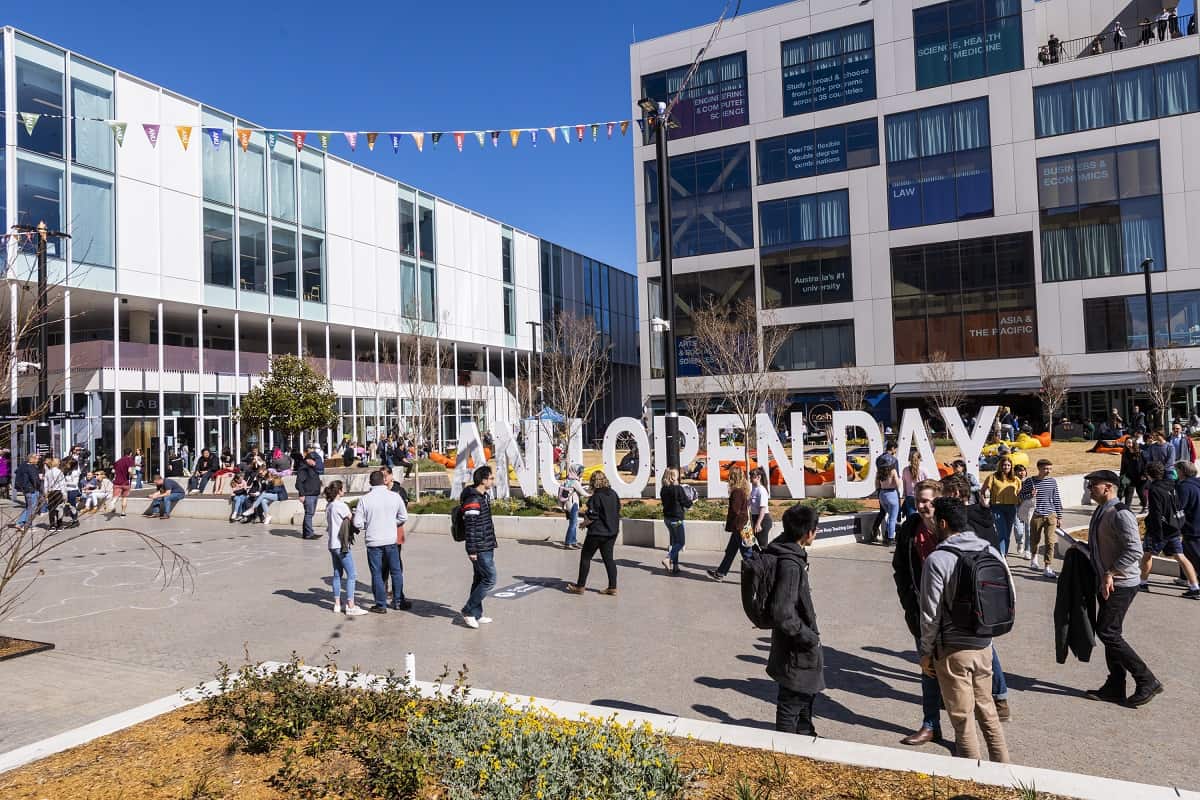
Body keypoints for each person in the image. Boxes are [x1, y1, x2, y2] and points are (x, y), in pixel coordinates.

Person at [919, 496, 1011, 763]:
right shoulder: (989, 551)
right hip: (984, 644)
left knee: (962, 720)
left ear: (943, 522)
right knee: (988, 713)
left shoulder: (939, 558)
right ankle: (1003, 773)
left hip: (952, 650)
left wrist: (926, 651)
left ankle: (973, 781)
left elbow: (930, 613)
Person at [1081, 469, 1163, 706]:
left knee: (1108, 632)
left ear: (1107, 487)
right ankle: (1115, 685)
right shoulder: (1102, 510)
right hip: (1108, 582)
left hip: (1121, 583)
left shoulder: (1120, 513)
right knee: (1108, 631)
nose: (1089, 489)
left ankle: (1146, 680)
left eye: (1093, 485)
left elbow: (1135, 551)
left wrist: (1110, 572)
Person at [893, 479, 947, 746]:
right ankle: (930, 724)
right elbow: (900, 568)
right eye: (918, 499)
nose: (922, 505)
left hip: (953, 613)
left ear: (938, 500)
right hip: (922, 612)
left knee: (957, 671)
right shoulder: (910, 529)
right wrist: (909, 603)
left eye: (926, 500)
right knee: (928, 669)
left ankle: (968, 729)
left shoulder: (951, 528)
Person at [766, 503, 824, 736]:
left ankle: (805, 733)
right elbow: (782, 611)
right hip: (796, 645)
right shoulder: (790, 564)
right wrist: (808, 637)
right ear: (808, 533)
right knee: (791, 700)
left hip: (793, 644)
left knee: (803, 694)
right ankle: (786, 750)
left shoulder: (785, 550)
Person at [1141, 461, 1200, 597]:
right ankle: (1194, 587)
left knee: (1147, 556)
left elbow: (1156, 512)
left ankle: (1142, 583)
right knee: (1181, 556)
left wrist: (1156, 532)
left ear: (1149, 475)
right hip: (1174, 528)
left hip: (1161, 529)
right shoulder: (1172, 485)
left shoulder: (1154, 489)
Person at [355, 469, 409, 614]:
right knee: (396, 571)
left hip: (373, 541)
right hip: (391, 540)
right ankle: (397, 601)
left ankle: (381, 604)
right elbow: (403, 517)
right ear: (383, 480)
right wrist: (393, 523)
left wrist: (369, 524)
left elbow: (358, 523)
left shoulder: (364, 499)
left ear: (370, 482)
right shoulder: (394, 496)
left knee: (377, 573)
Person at [565, 470, 621, 595]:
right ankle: (613, 587)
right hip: (611, 532)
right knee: (609, 559)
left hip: (597, 533)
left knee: (586, 557)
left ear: (592, 482)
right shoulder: (613, 494)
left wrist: (583, 524)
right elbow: (617, 509)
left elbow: (592, 515)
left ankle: (580, 586)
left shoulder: (596, 497)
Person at [460, 465, 498, 628]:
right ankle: (468, 610)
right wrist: (472, 550)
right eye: (491, 478)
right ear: (483, 480)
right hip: (480, 546)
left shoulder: (483, 496)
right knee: (490, 579)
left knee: (479, 579)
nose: (492, 481)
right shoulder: (473, 500)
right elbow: (471, 527)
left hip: (486, 543)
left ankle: (476, 613)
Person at [324, 480, 366, 616]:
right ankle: (350, 605)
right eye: (343, 489)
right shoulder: (341, 506)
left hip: (332, 544)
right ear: (339, 491)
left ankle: (337, 604)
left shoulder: (329, 506)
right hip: (341, 544)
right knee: (352, 575)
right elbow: (352, 520)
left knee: (337, 574)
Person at [1019, 458, 1063, 578]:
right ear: (1039, 468)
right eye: (1045, 469)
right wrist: (1030, 494)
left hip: (1051, 515)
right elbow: (1021, 495)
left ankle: (1047, 567)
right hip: (1036, 515)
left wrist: (1059, 515)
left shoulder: (1052, 481)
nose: (1048, 471)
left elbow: (1056, 498)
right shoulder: (1030, 481)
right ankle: (1034, 558)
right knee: (1035, 540)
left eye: (1050, 468)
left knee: (1050, 542)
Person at [707, 465, 751, 581]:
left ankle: (756, 575)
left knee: (747, 554)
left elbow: (736, 511)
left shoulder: (736, 492)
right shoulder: (742, 490)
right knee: (731, 552)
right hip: (742, 525)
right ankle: (720, 573)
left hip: (739, 527)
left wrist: (734, 523)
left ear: (733, 477)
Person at [982, 456, 1021, 557]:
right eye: (1004, 465)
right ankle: (1001, 555)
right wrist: (984, 502)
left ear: (1011, 466)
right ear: (1000, 466)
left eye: (1008, 465)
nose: (1006, 467)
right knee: (1002, 532)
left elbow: (1020, 493)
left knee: (1007, 534)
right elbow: (983, 491)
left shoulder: (1016, 479)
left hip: (1011, 508)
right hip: (997, 507)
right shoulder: (993, 477)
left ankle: (1004, 555)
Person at [660, 467, 693, 575]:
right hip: (677, 519)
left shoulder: (663, 489)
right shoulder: (678, 488)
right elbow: (686, 502)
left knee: (675, 542)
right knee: (681, 542)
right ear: (673, 477)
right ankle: (668, 558)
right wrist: (691, 502)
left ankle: (675, 566)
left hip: (667, 519)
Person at [1175, 460, 1200, 597]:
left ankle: (1196, 589)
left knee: (1195, 555)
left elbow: (1180, 506)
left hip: (1192, 526)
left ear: (1182, 471)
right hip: (1197, 523)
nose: (1176, 473)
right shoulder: (1196, 484)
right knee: (1183, 551)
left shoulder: (1184, 487)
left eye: (1177, 470)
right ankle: (1184, 577)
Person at [295, 450, 323, 540]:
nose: (315, 462)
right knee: (309, 513)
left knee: (310, 513)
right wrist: (302, 494)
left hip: (314, 493)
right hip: (308, 494)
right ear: (308, 460)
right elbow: (299, 483)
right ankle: (310, 533)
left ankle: (306, 533)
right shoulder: (304, 469)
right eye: (313, 460)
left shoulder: (313, 468)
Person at [560, 463, 589, 549]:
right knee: (573, 524)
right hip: (573, 505)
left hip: (568, 505)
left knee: (573, 523)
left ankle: (573, 541)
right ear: (576, 471)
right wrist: (592, 494)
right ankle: (568, 542)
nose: (582, 474)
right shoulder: (575, 482)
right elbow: (583, 493)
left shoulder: (568, 480)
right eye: (581, 472)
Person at [14, 453, 43, 530]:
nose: (38, 460)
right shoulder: (31, 467)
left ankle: (19, 523)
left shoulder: (23, 465)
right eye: (37, 459)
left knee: (28, 507)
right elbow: (34, 479)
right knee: (31, 508)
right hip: (32, 489)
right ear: (32, 459)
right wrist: (40, 483)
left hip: (25, 489)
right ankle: (27, 525)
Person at [876, 463, 901, 546]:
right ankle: (890, 538)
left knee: (890, 517)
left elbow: (876, 484)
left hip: (882, 494)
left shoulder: (879, 471)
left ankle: (886, 537)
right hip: (891, 494)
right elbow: (897, 484)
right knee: (892, 518)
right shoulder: (893, 471)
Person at [901, 451, 932, 520]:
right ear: (920, 459)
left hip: (909, 496)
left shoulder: (905, 470)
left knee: (911, 518)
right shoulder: (924, 470)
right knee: (924, 517)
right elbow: (929, 483)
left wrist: (905, 495)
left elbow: (904, 483)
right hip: (921, 496)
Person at [749, 467, 772, 548]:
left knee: (763, 546)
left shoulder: (761, 490)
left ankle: (766, 560)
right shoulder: (754, 489)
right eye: (750, 476)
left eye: (752, 476)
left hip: (762, 520)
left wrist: (758, 523)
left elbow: (763, 508)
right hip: (755, 518)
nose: (750, 479)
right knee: (751, 544)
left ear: (759, 477)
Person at [1119, 439, 1146, 510]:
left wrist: (1145, 474)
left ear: (1134, 443)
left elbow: (1146, 465)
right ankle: (1127, 508)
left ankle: (1145, 506)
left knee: (1140, 492)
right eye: (1127, 443)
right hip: (1129, 476)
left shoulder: (1141, 453)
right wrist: (1121, 476)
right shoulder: (1125, 453)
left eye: (1130, 442)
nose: (1128, 444)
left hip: (1141, 476)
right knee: (1128, 492)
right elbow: (1123, 466)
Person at [42, 457, 67, 533]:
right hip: (58, 492)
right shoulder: (60, 472)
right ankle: (59, 525)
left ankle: (52, 525)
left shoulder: (48, 472)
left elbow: (45, 484)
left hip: (50, 492)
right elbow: (62, 484)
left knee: (51, 509)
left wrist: (46, 493)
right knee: (59, 508)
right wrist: (64, 494)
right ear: (58, 463)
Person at [110, 449, 135, 517]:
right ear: (130, 453)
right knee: (124, 497)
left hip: (117, 482)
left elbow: (113, 471)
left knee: (116, 496)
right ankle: (123, 513)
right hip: (125, 482)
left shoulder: (118, 461)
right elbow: (130, 470)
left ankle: (113, 502)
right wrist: (133, 475)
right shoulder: (130, 460)